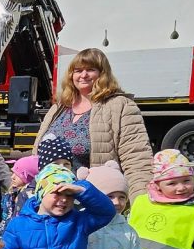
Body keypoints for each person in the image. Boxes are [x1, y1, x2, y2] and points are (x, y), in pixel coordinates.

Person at [34, 48, 153, 199]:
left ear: (102, 74)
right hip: (52, 202)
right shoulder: (58, 107)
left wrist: (140, 203)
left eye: (90, 69)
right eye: (78, 70)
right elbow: (37, 156)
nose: (83, 75)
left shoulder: (120, 106)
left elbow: (137, 159)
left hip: (92, 203)